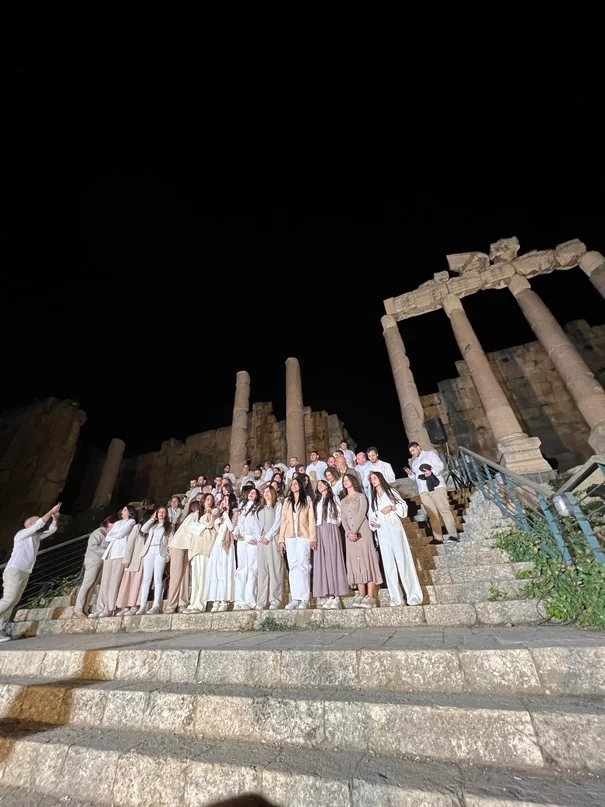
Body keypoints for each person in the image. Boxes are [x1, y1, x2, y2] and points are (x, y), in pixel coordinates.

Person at [0, 503, 61, 640]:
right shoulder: (21, 534)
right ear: (30, 524)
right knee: (9, 598)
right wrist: (51, 510)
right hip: (14, 569)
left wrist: (55, 518)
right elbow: (39, 524)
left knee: (13, 601)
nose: (40, 522)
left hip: (25, 571)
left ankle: (1, 628)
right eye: (36, 520)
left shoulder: (35, 537)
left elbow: (51, 530)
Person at [368, 471, 422, 607]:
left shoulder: (391, 492)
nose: (373, 480)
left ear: (380, 478)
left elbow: (403, 507)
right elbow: (371, 515)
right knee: (388, 564)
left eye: (375, 477)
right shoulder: (372, 497)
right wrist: (373, 522)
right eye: (371, 479)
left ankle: (413, 595)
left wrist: (392, 507)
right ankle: (396, 598)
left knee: (403, 560)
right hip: (381, 530)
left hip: (394, 526)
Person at [340, 473, 382, 608]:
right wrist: (348, 532)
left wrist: (355, 531)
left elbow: (362, 514)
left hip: (362, 532)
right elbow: (343, 518)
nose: (345, 482)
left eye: (347, 480)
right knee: (355, 562)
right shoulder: (343, 500)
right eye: (344, 480)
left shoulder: (360, 496)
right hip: (350, 535)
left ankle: (370, 596)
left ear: (353, 481)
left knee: (366, 559)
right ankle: (361, 594)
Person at [405, 442, 459, 543]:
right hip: (423, 490)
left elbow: (440, 465)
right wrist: (411, 474)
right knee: (431, 514)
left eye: (413, 450)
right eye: (410, 452)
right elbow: (415, 477)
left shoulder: (430, 455)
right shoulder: (414, 462)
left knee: (444, 510)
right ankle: (438, 537)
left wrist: (432, 472)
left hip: (436, 486)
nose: (412, 453)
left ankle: (453, 535)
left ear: (418, 447)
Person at [90, 505, 137, 618]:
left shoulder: (131, 521)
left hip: (119, 553)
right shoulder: (117, 523)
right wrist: (115, 534)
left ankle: (109, 608)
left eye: (125, 509)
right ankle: (100, 608)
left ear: (130, 512)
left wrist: (114, 534)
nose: (123, 511)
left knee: (114, 582)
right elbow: (108, 537)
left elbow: (122, 534)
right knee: (105, 582)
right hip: (109, 553)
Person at [278, 477, 316, 610]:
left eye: (295, 484)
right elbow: (283, 520)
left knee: (304, 566)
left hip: (303, 536)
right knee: (293, 566)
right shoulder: (287, 501)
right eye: (292, 484)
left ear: (300, 485)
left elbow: (311, 519)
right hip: (290, 537)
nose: (293, 486)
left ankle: (305, 598)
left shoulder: (307, 500)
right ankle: (295, 598)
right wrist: (281, 539)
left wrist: (313, 538)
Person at [313, 480, 348, 609]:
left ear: (327, 485)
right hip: (319, 529)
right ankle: (327, 594)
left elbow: (340, 513)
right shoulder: (316, 501)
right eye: (318, 484)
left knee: (333, 560)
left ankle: (336, 594)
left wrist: (334, 524)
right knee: (322, 561)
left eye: (322, 483)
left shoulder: (333, 498)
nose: (320, 485)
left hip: (331, 527)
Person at [73, 514, 116, 618]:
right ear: (109, 524)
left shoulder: (108, 534)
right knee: (87, 583)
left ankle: (85, 608)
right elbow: (93, 547)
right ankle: (78, 609)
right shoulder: (98, 533)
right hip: (93, 560)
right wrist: (107, 552)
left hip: (101, 561)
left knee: (93, 585)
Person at [185, 493, 219, 613]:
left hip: (206, 546)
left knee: (203, 575)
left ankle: (200, 604)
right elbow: (190, 526)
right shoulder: (196, 513)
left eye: (212, 499)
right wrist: (202, 527)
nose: (209, 501)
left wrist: (205, 521)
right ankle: (193, 602)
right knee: (195, 577)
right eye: (208, 499)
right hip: (196, 547)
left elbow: (209, 524)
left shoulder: (215, 511)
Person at [204, 492, 238, 611]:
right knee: (216, 571)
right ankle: (216, 599)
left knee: (225, 571)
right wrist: (217, 522)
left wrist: (225, 515)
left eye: (227, 500)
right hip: (218, 543)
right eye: (223, 499)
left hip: (227, 545)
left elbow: (232, 528)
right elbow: (219, 530)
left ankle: (225, 600)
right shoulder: (221, 514)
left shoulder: (234, 513)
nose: (224, 501)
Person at [137, 506, 174, 614]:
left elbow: (171, 540)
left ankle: (156, 605)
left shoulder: (169, 526)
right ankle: (142, 605)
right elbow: (143, 529)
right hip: (149, 551)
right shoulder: (153, 525)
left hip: (160, 551)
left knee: (157, 579)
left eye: (164, 512)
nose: (161, 514)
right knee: (146, 579)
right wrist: (152, 519)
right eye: (159, 512)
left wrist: (168, 553)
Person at [255, 485, 284, 610]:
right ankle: (261, 601)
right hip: (261, 541)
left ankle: (275, 599)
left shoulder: (277, 506)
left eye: (268, 491)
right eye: (264, 491)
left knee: (274, 569)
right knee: (262, 571)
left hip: (272, 539)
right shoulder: (259, 509)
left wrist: (268, 536)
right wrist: (259, 537)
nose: (266, 493)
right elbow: (255, 525)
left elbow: (277, 522)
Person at [234, 487, 261, 610]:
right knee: (241, 569)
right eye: (250, 492)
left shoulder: (257, 508)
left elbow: (258, 525)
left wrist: (255, 537)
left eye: (254, 493)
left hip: (251, 539)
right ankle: (239, 600)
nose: (252, 494)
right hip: (242, 539)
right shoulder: (242, 508)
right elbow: (239, 523)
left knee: (252, 568)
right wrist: (236, 532)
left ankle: (250, 600)